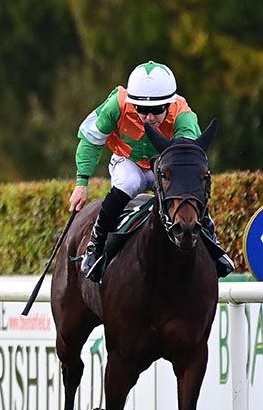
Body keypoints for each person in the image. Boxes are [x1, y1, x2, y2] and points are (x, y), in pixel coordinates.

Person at [70, 61, 234, 282]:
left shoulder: (183, 114)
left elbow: (189, 158)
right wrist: (81, 183)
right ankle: (95, 248)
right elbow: (90, 140)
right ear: (132, 103)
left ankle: (214, 246)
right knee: (128, 183)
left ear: (169, 103)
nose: (148, 117)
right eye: (141, 109)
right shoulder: (116, 105)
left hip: (165, 166)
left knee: (188, 190)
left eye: (156, 110)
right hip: (129, 162)